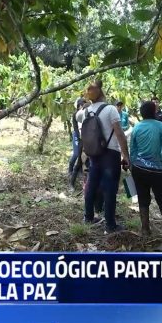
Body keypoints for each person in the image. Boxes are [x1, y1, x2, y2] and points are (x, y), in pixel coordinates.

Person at [82, 80, 131, 234]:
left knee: (92, 185)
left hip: (94, 153)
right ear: (102, 92)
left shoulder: (87, 111)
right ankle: (110, 225)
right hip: (110, 154)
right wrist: (126, 156)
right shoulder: (110, 109)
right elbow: (120, 134)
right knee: (110, 188)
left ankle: (88, 217)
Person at [129, 101, 162, 238]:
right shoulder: (160, 126)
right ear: (154, 112)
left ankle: (145, 230)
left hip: (138, 168)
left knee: (143, 199)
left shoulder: (137, 127)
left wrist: (132, 167)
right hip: (156, 170)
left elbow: (133, 150)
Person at [70, 99, 92, 188]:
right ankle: (71, 183)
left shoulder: (92, 120)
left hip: (89, 144)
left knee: (89, 165)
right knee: (79, 161)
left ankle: (88, 185)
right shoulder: (79, 116)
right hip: (83, 143)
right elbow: (78, 131)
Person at [68, 98, 85, 183]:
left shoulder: (85, 114)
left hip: (84, 136)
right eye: (82, 105)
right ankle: (70, 169)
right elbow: (75, 127)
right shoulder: (75, 114)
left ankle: (80, 171)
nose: (83, 107)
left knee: (82, 155)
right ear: (79, 106)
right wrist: (79, 137)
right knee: (76, 153)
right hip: (77, 135)